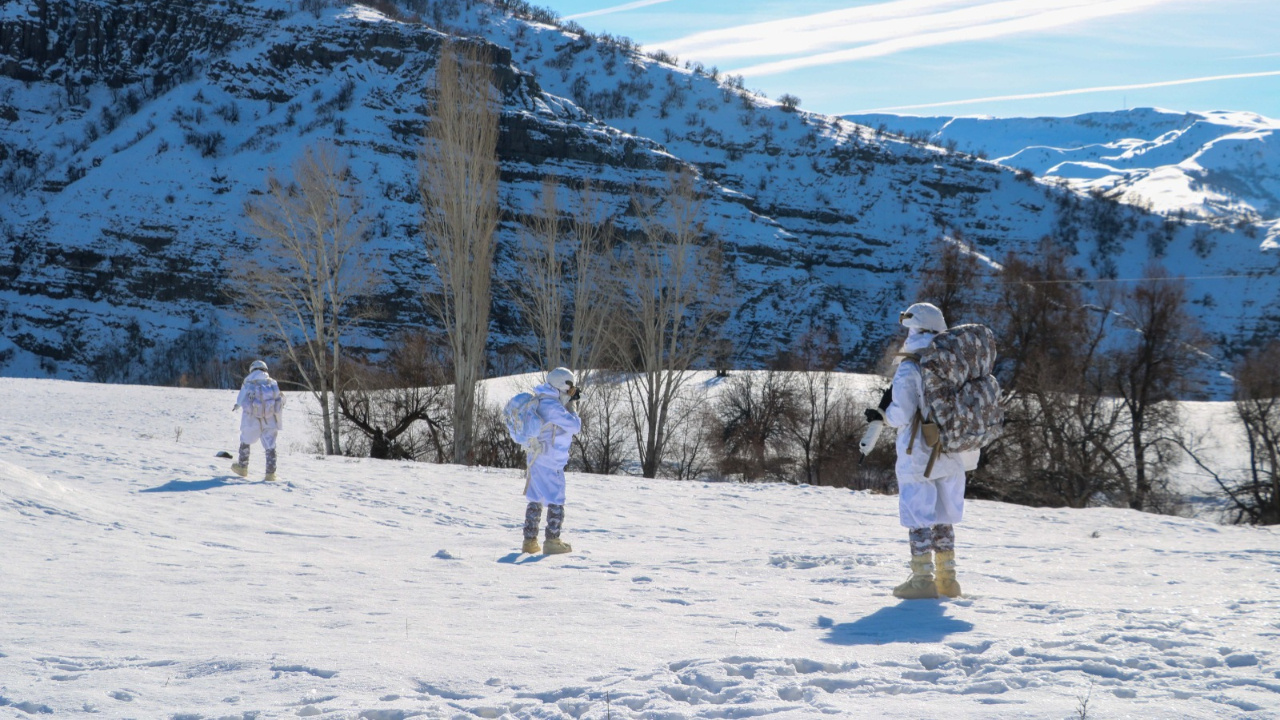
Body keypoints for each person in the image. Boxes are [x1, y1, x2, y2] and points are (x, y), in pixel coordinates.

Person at [867, 303, 980, 599]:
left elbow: (902, 413)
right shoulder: (957, 362)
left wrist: (883, 417)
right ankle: (948, 580)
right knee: (944, 515)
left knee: (918, 515)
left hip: (919, 452)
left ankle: (921, 580)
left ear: (914, 329)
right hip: (952, 451)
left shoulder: (910, 365)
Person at [521, 367, 582, 555]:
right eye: (570, 385)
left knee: (535, 498)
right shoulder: (553, 407)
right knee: (556, 498)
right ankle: (552, 541)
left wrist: (567, 399)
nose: (572, 389)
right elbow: (575, 426)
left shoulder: (541, 400)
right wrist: (572, 405)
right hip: (551, 459)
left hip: (537, 457)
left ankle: (529, 541)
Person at [231, 359, 284, 481]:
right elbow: (278, 401)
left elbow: (241, 398)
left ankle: (242, 467)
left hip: (251, 417)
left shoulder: (248, 381)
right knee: (270, 445)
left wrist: (237, 405)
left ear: (252, 369)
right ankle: (270, 474)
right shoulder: (272, 383)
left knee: (246, 439)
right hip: (269, 417)